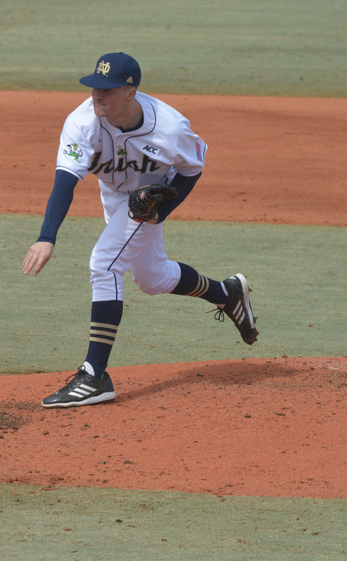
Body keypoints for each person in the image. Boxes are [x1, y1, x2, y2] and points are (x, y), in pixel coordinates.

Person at [22, 52, 258, 408]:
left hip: (149, 201)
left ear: (131, 93)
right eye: (94, 88)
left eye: (108, 90)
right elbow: (65, 181)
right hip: (115, 198)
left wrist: (161, 209)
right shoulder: (81, 121)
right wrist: (46, 236)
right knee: (152, 279)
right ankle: (227, 294)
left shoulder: (170, 127)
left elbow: (192, 168)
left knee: (105, 265)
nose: (97, 96)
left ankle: (94, 375)